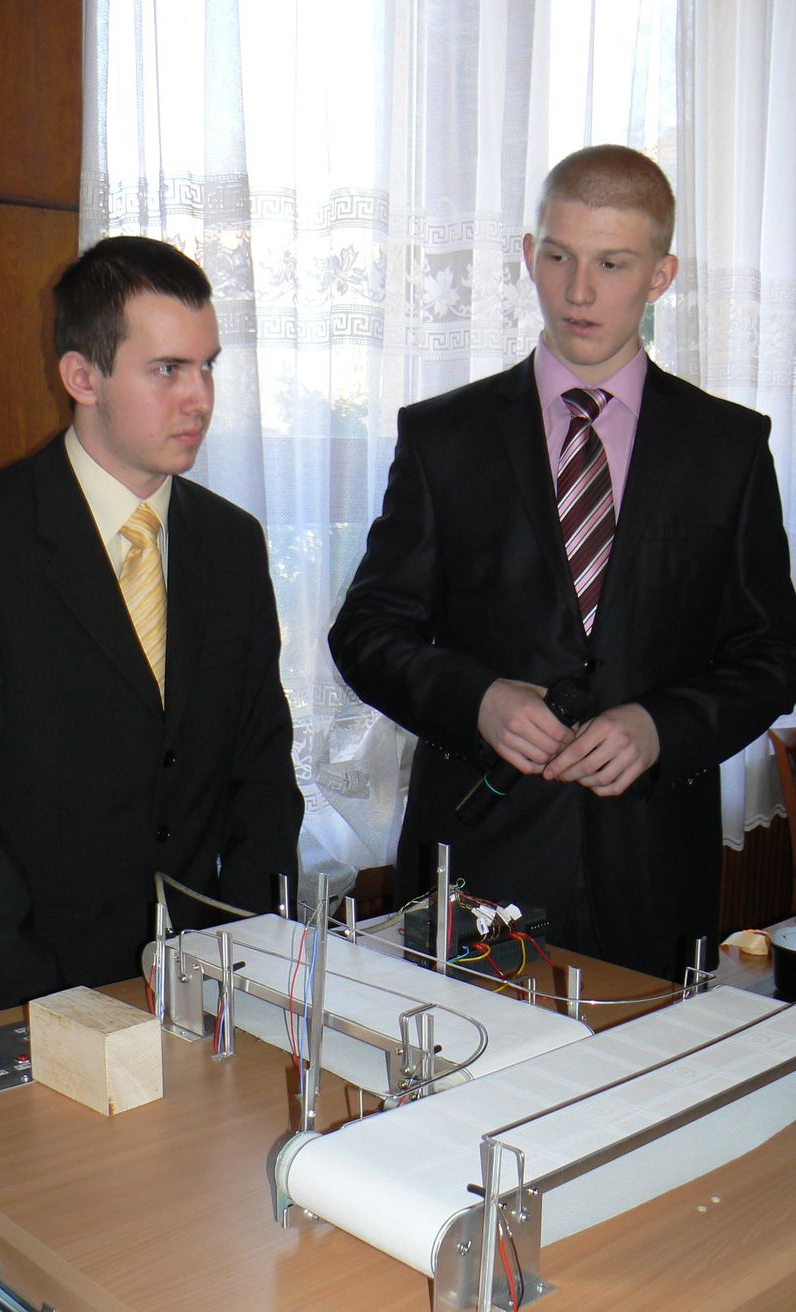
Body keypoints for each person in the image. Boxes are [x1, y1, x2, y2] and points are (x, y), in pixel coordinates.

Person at [329, 145, 796, 982]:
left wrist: (662, 727)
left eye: (612, 264)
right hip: (474, 864)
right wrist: (477, 700)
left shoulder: (728, 448)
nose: (578, 292)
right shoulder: (443, 437)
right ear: (527, 254)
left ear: (661, 276)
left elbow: (772, 656)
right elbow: (366, 632)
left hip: (654, 874)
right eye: (558, 257)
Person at [0, 236, 302, 1008]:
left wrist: (250, 955)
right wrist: (38, 999)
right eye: (168, 369)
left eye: (208, 366)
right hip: (27, 991)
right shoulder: (4, 534)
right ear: (81, 376)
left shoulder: (231, 543)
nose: (200, 398)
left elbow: (262, 770)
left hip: (206, 987)